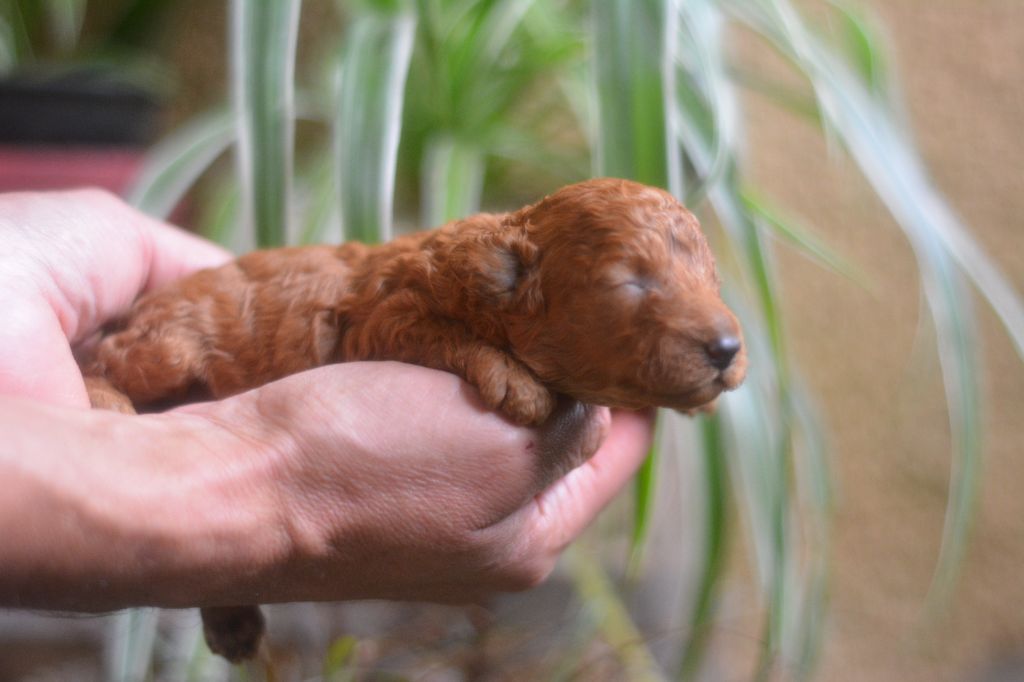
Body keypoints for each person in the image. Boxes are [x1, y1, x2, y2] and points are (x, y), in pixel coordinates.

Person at [0, 188, 653, 612]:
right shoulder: (443, 282)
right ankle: (111, 379)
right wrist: (270, 500)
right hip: (213, 331)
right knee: (168, 352)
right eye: (629, 288)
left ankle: (224, 598)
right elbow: (386, 329)